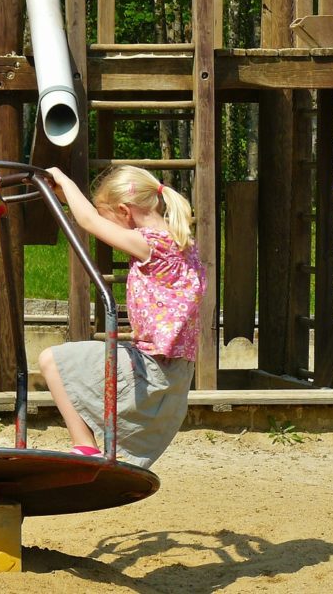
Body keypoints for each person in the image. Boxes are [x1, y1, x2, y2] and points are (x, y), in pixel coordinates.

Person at [39, 165, 206, 468]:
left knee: (51, 360)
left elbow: (88, 220)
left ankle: (84, 446)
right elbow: (91, 215)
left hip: (152, 368)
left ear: (124, 211)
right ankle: (93, 449)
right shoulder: (181, 243)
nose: (108, 228)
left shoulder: (150, 244)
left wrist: (64, 178)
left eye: (109, 218)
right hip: (176, 370)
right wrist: (65, 195)